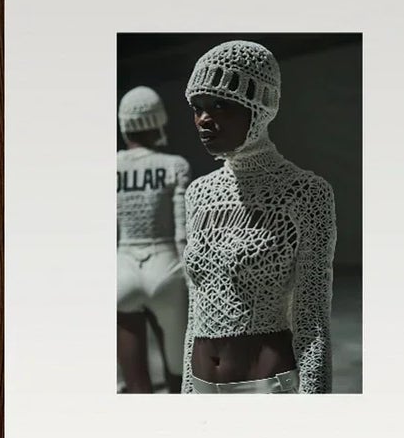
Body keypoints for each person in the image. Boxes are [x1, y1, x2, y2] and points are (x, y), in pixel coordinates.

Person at [180, 40, 337, 394]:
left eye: (221, 105)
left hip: (266, 386)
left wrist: (315, 407)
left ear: (261, 106)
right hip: (201, 382)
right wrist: (186, 391)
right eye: (197, 107)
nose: (204, 119)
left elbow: (312, 318)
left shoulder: (305, 193)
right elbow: (195, 311)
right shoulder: (197, 194)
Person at [114, 85, 190, 392]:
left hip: (124, 269)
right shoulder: (175, 165)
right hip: (166, 267)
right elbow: (183, 232)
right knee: (179, 373)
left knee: (135, 385)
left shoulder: (111, 166)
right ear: (157, 120)